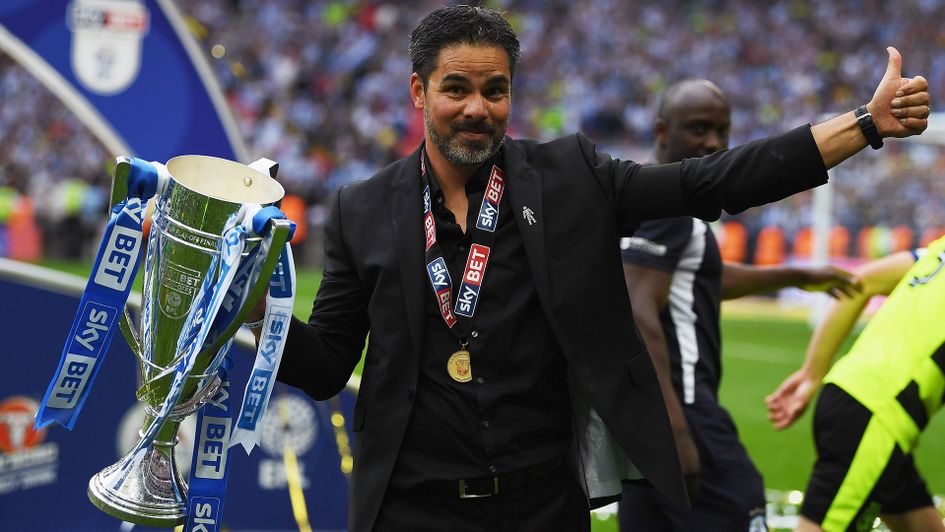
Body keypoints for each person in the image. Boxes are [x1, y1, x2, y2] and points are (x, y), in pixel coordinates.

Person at [263, 6, 929, 531]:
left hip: (542, 507)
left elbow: (711, 181)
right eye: (455, 89)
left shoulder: (569, 178)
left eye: (495, 90)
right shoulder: (361, 209)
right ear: (418, 91)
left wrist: (864, 125)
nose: (476, 108)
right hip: (410, 510)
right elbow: (325, 367)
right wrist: (245, 306)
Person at [617, 79, 863, 532]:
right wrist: (677, 428)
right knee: (742, 508)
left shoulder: (646, 200)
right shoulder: (669, 209)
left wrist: (796, 275)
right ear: (663, 131)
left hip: (640, 418)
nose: (713, 142)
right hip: (683, 408)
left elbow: (700, 277)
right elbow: (638, 308)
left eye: (722, 130)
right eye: (698, 128)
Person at [765, 240, 945, 532]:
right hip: (878, 418)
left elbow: (860, 281)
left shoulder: (938, 250)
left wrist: (812, 373)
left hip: (847, 394)